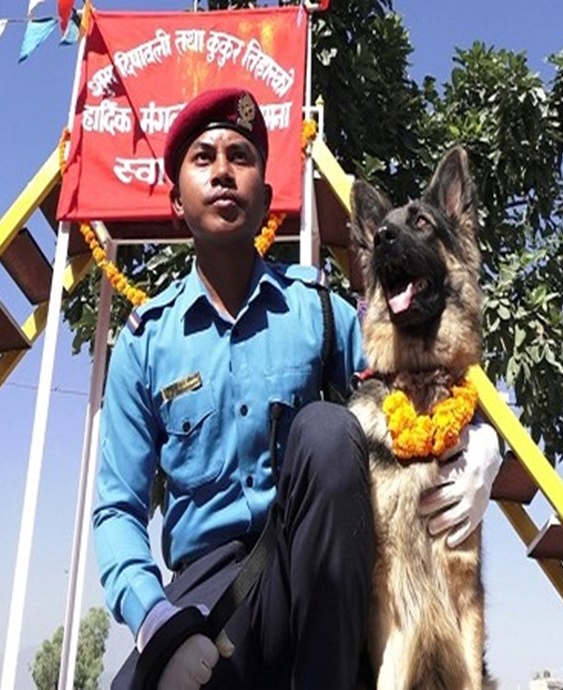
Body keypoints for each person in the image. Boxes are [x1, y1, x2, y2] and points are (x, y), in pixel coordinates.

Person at [92, 87, 503, 690]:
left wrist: (484, 447)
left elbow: (431, 368)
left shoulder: (322, 311)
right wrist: (158, 622)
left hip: (315, 583)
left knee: (330, 428)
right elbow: (116, 509)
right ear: (177, 198)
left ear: (266, 198)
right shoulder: (144, 343)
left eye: (242, 156)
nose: (224, 172)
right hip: (207, 593)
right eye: (203, 159)